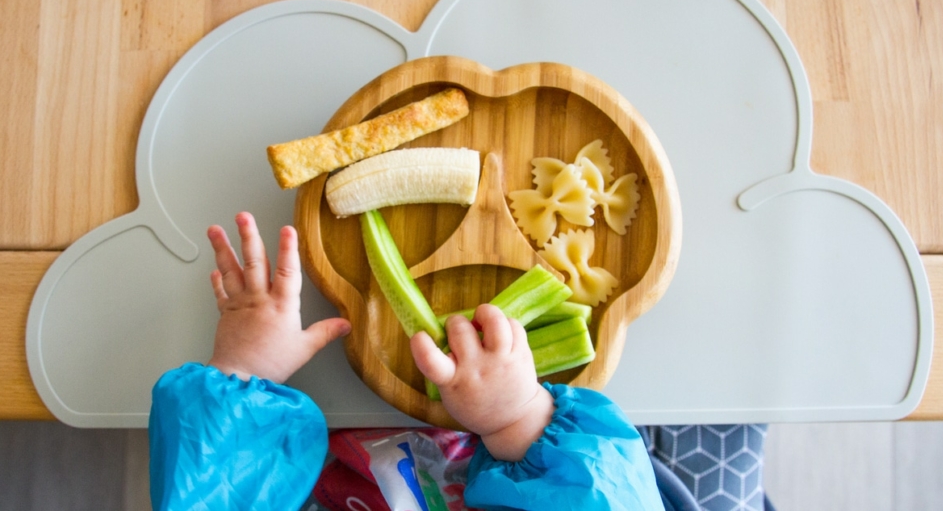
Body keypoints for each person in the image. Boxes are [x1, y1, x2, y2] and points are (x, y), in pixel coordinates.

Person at [147, 212, 667, 510]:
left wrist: (245, 368)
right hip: (523, 461)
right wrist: (518, 417)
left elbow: (209, 497)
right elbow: (606, 496)